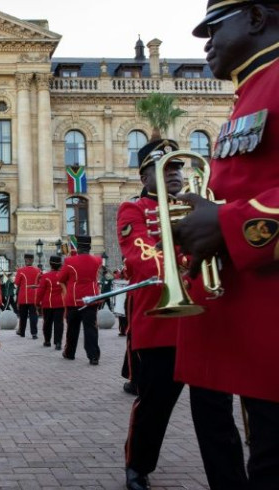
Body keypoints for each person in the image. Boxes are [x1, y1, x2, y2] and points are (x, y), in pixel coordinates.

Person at [172, 3, 279, 487]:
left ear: (256, 18)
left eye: (213, 28)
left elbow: (241, 207)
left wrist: (230, 224)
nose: (205, 42)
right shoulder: (250, 91)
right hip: (254, 328)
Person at [117, 139, 200, 490]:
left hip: (203, 320)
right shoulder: (132, 209)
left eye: (178, 168)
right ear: (145, 176)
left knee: (214, 407)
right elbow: (140, 258)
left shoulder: (198, 206)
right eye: (165, 169)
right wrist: (188, 264)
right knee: (155, 405)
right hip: (159, 321)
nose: (175, 175)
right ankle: (138, 465)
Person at [58, 235, 102, 365]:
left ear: (78, 247)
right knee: (91, 329)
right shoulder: (97, 260)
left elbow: (61, 278)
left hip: (74, 299)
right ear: (89, 247)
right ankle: (93, 356)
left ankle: (70, 353)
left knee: (72, 328)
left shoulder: (69, 262)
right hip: (91, 298)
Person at [35, 255, 65, 349]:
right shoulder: (63, 276)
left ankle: (47, 341)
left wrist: (37, 303)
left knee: (47, 323)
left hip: (48, 303)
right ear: (60, 264)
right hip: (60, 303)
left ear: (50, 264)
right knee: (59, 323)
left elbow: (40, 291)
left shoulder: (46, 276)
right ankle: (58, 342)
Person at [14, 253, 41, 338]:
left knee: (23, 316)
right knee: (34, 315)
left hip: (23, 297)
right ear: (32, 260)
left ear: (25, 260)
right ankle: (34, 333)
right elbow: (40, 283)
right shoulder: (38, 271)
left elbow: (16, 283)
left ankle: (22, 332)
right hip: (34, 297)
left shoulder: (20, 271)